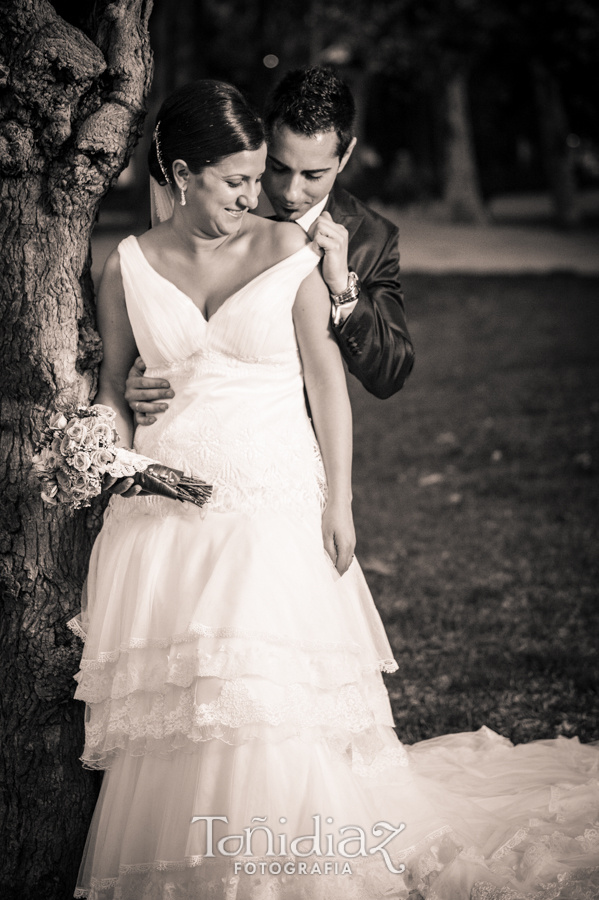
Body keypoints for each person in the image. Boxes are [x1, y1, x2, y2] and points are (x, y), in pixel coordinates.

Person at [68, 79, 599, 900]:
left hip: (271, 497)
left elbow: (331, 386)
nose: (262, 197)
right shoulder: (127, 264)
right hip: (164, 514)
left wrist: (338, 503)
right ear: (180, 173)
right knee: (186, 710)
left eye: (264, 179)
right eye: (239, 180)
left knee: (265, 697)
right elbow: (111, 385)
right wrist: (111, 438)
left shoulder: (292, 253)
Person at [123, 66, 414, 434]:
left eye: (313, 175)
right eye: (276, 168)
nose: (291, 193)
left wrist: (343, 289)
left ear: (345, 156)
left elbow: (390, 373)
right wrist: (142, 375)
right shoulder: (212, 203)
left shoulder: (372, 237)